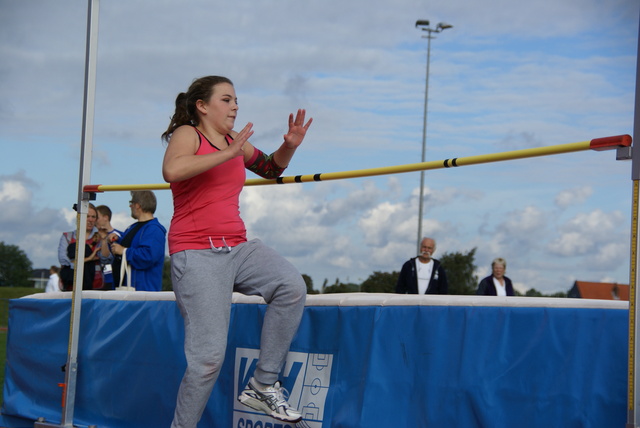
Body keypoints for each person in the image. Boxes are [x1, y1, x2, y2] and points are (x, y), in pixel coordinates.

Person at [161, 75, 312, 426]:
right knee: (207, 362)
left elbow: (271, 169)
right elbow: (172, 169)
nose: (235, 106)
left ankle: (263, 384)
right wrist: (226, 154)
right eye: (227, 100)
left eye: (236, 100)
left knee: (291, 286)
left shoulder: (235, 141)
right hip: (197, 253)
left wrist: (289, 145)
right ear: (202, 106)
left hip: (238, 247)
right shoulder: (189, 133)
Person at [107, 191, 166, 291]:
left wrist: (123, 251)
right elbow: (128, 248)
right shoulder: (132, 227)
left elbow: (148, 256)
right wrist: (115, 241)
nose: (130, 206)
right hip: (127, 289)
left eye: (131, 203)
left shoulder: (154, 229)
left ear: (138, 205)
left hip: (143, 292)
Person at [57, 203, 101, 291]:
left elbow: (105, 258)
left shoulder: (101, 237)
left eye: (93, 217)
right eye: (87, 216)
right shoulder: (67, 237)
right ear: (79, 217)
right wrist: (89, 259)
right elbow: (63, 260)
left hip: (95, 285)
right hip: (70, 283)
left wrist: (75, 261)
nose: (90, 220)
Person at [96, 204, 122, 290]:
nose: (94, 220)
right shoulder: (94, 236)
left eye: (97, 217)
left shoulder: (119, 235)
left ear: (106, 217)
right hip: (96, 278)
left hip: (112, 278)